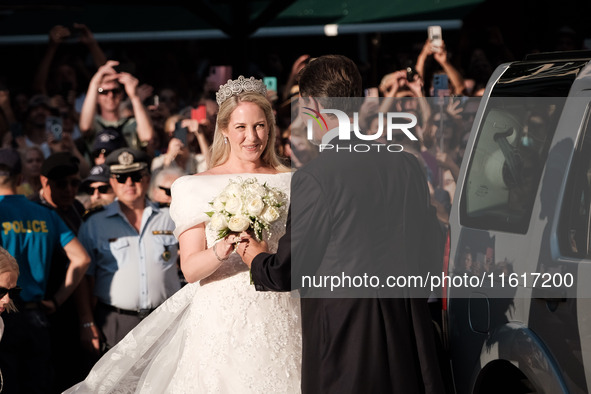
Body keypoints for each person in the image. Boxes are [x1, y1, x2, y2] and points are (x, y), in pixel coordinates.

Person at [65, 76, 301, 393]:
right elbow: (189, 270)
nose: (251, 137)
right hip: (221, 316)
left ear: (270, 128)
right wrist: (224, 247)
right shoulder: (195, 186)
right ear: (224, 131)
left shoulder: (291, 182)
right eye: (241, 127)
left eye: (259, 126)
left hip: (282, 308)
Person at [237, 55, 446, 393]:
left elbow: (287, 271)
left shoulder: (315, 178)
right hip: (407, 332)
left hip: (346, 345)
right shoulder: (406, 166)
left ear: (313, 104)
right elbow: (430, 248)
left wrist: (256, 258)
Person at [0, 147, 90, 394]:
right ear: (21, 179)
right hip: (36, 316)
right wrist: (58, 300)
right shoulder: (44, 214)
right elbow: (81, 259)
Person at [75, 147, 181, 354]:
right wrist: (87, 323)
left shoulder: (171, 217)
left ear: (147, 178)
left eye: (135, 176)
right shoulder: (94, 223)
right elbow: (83, 280)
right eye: (121, 178)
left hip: (165, 318)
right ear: (112, 182)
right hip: (115, 322)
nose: (129, 183)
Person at [79, 60, 154, 154]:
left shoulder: (132, 123)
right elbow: (85, 127)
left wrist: (135, 97)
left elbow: (147, 136)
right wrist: (94, 83)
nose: (110, 95)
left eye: (115, 91)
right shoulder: (94, 124)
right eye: (104, 91)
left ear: (122, 94)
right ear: (96, 97)